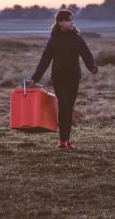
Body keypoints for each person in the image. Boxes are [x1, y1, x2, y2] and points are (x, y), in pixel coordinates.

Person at [29, 9, 98, 150]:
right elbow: (44, 60)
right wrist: (34, 78)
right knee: (64, 105)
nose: (72, 22)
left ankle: (66, 140)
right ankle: (62, 141)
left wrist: (92, 67)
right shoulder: (53, 40)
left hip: (73, 78)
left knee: (69, 108)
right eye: (69, 19)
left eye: (72, 19)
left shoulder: (77, 38)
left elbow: (87, 54)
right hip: (59, 78)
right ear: (60, 22)